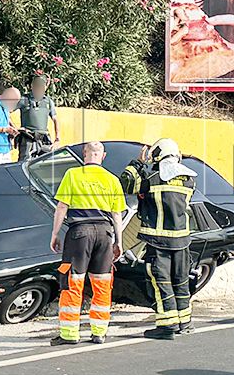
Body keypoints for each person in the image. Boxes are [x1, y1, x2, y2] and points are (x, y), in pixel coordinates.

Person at [49, 142, 127, 346]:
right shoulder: (112, 180)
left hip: (79, 233)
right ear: (103, 156)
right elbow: (117, 214)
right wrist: (118, 242)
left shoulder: (73, 175)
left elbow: (62, 206)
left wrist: (55, 234)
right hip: (104, 234)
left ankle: (69, 334)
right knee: (102, 284)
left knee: (73, 282)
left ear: (84, 155)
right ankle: (99, 332)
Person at [121, 138, 197, 339]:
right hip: (182, 241)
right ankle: (184, 322)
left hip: (158, 241)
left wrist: (138, 162)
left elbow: (126, 184)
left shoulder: (151, 178)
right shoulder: (190, 180)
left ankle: (167, 326)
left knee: (161, 281)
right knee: (181, 281)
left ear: (158, 155)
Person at [17, 75, 59, 161]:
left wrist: (57, 139)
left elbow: (55, 120)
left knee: (46, 163)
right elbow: (7, 111)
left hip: (44, 138)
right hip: (28, 137)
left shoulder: (48, 101)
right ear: (32, 86)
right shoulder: (24, 99)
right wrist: (14, 128)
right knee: (24, 163)